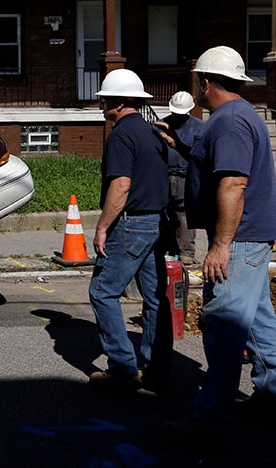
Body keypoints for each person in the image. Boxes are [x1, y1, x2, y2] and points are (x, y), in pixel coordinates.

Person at [163, 46, 276, 445]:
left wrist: (220, 245)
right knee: (256, 317)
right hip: (252, 235)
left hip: (240, 238)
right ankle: (273, 398)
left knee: (224, 323)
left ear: (204, 83)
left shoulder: (228, 122)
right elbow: (220, 167)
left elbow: (234, 182)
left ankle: (212, 419)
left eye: (196, 82)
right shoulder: (238, 116)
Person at [88, 68, 172, 393]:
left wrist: (102, 227)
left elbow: (121, 185)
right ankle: (156, 370)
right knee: (154, 298)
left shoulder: (121, 135)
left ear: (121, 101)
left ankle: (123, 368)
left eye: (107, 99)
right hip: (156, 223)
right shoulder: (152, 133)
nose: (103, 104)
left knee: (102, 292)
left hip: (131, 223)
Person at [162, 91, 206, 265]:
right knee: (165, 213)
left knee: (184, 214)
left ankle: (186, 251)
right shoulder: (162, 125)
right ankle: (168, 248)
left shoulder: (199, 127)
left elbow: (200, 154)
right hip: (164, 175)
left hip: (186, 176)